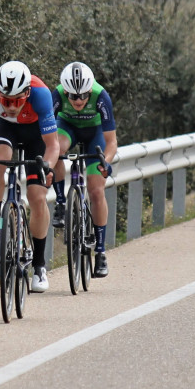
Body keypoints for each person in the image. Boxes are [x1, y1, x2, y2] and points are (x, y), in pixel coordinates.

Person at [0, 60, 60, 292]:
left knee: (38, 197)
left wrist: (47, 166)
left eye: (17, 101)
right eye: (5, 100)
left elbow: (53, 144)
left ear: (27, 94)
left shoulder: (41, 94)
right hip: (4, 128)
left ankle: (39, 265)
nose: (10, 106)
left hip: (34, 134)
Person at [49, 62, 117, 277]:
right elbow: (46, 134)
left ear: (90, 91)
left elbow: (112, 141)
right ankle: (61, 202)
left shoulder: (101, 96)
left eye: (83, 96)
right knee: (56, 149)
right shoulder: (57, 95)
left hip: (94, 134)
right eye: (73, 97)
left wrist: (105, 162)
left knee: (96, 191)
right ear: (65, 92)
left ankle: (100, 251)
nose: (78, 101)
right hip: (67, 128)